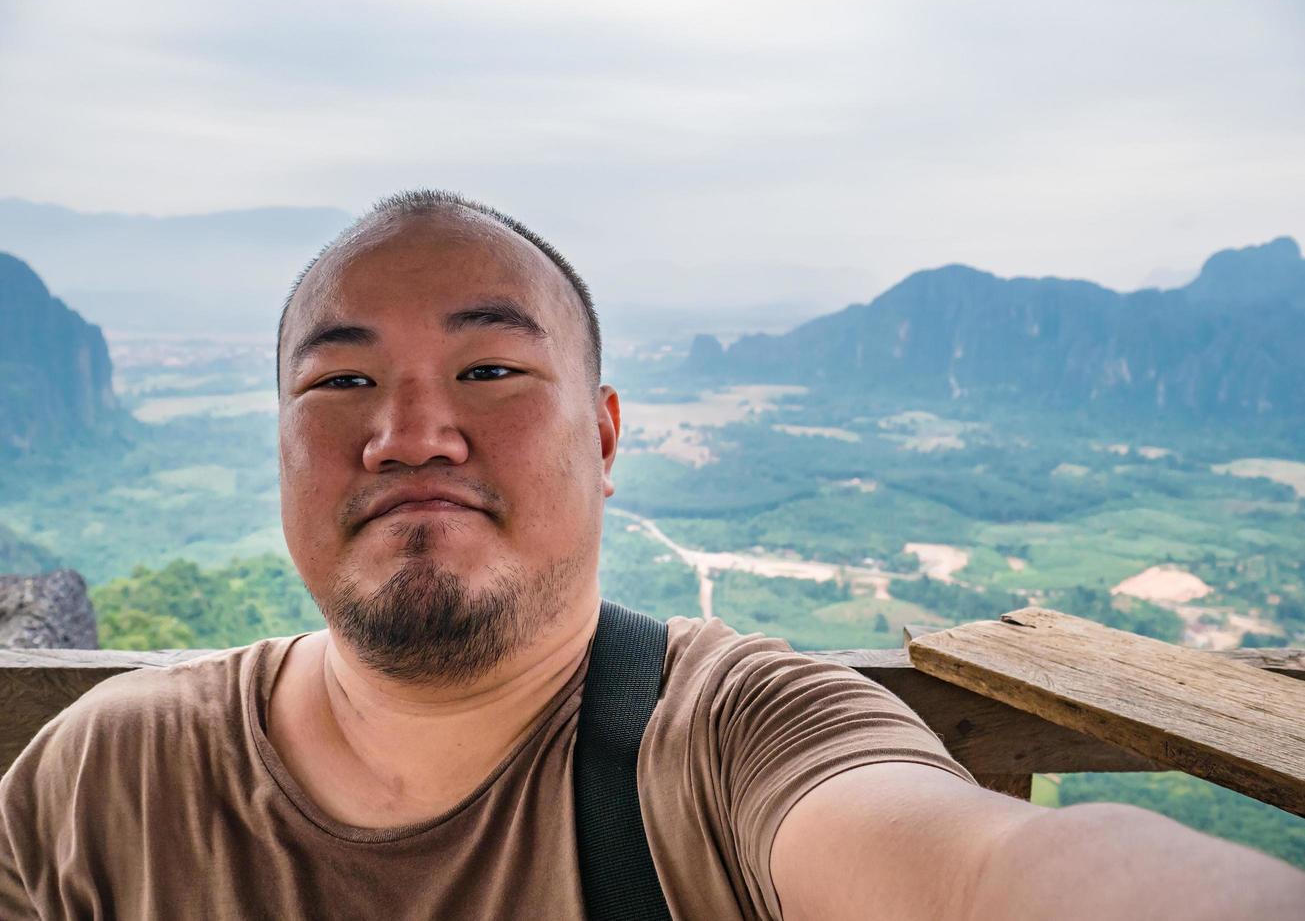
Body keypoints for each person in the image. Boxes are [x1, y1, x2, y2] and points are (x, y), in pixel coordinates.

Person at [1, 190, 1302, 920]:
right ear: (277, 443)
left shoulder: (735, 744)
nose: (409, 433)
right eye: (339, 381)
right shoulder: (106, 782)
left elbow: (980, 871)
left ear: (606, 437)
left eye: (492, 368)